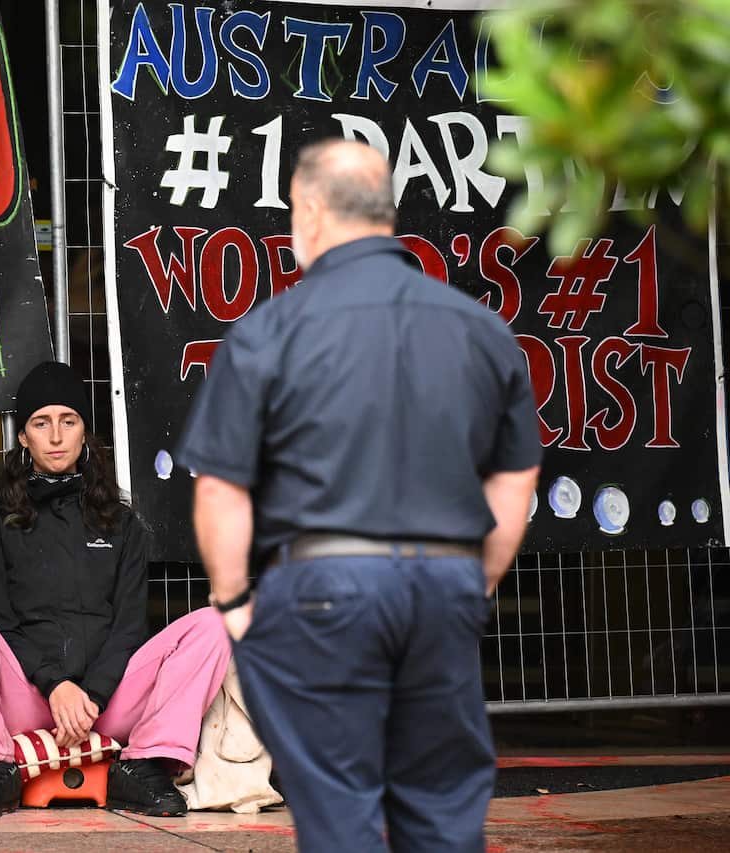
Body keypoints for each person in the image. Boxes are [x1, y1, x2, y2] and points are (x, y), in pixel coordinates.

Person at [179, 140, 542, 852]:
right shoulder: (481, 329)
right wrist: (477, 576)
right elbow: (515, 475)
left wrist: (230, 601)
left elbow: (222, 485)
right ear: (385, 213)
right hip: (445, 580)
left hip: (321, 584)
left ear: (310, 211)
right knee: (441, 807)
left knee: (339, 812)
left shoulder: (270, 329)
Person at [0, 361, 231, 819]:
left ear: (84, 433)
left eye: (68, 421)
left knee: (215, 623)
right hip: (28, 698)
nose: (55, 436)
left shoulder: (122, 523)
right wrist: (56, 686)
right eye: (41, 423)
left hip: (104, 705)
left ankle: (144, 765)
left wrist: (89, 695)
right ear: (23, 437)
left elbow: (130, 627)